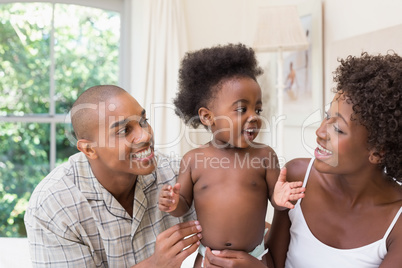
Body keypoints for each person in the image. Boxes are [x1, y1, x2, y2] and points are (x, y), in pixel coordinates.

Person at [157, 43, 305, 268]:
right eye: (241, 109)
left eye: (258, 109)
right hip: (207, 258)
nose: (253, 116)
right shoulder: (193, 159)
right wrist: (173, 202)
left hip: (255, 257)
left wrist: (282, 198)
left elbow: (278, 203)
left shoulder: (264, 155)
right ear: (207, 117)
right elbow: (183, 206)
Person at [24, 85, 201, 267]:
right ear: (89, 149)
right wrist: (154, 264)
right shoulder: (53, 205)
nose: (145, 135)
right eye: (124, 131)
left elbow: (224, 234)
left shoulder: (174, 173)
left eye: (143, 121)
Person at [267, 52, 402, 268]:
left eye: (338, 129)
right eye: (326, 116)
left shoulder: (397, 222)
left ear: (378, 152)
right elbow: (273, 261)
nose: (320, 132)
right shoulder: (297, 178)